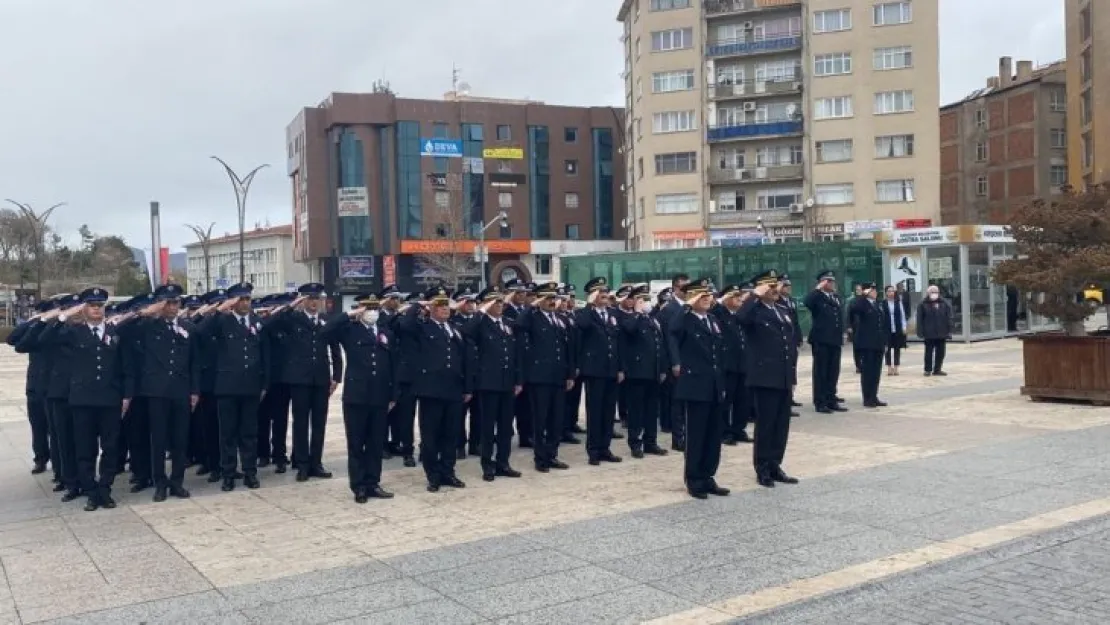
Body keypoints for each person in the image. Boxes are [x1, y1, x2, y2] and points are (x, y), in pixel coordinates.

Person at [45, 288, 130, 511]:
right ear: (84, 308)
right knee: (85, 449)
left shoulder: (114, 332)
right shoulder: (73, 332)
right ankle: (91, 491)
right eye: (92, 305)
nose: (96, 309)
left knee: (110, 448)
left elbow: (125, 367)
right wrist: (63, 315)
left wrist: (126, 395)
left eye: (100, 305)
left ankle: (105, 489)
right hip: (82, 401)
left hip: (110, 399)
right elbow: (46, 338)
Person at [323, 293, 397, 502]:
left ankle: (373, 482)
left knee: (375, 444)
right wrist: (349, 314)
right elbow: (325, 331)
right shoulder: (349, 330)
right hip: (357, 396)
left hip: (380, 395)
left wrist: (393, 394)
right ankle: (359, 486)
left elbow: (392, 363)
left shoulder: (384, 332)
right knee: (356, 444)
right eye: (367, 307)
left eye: (375, 307)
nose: (372, 311)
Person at [196, 282, 270, 492]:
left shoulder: (257, 321)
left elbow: (265, 354)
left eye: (247, 299)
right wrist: (219, 310)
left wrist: (265, 382)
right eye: (240, 299)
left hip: (251, 385)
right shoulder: (222, 321)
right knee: (227, 433)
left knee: (249, 432)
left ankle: (249, 472)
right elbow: (200, 332)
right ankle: (228, 473)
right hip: (227, 386)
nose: (245, 303)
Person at [265, 283, 343, 482]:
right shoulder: (292, 319)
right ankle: (302, 464)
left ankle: (316, 462)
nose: (314, 302)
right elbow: (269, 324)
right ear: (302, 301)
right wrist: (291, 306)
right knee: (300, 423)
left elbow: (335, 349)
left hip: (320, 379)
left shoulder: (326, 322)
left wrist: (336, 377)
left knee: (319, 423)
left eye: (317, 298)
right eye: (309, 298)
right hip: (299, 379)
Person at [130, 284, 200, 501]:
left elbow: (195, 362)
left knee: (180, 439)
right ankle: (159, 482)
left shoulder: (188, 327)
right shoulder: (147, 326)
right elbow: (122, 330)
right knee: (158, 440)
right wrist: (147, 312)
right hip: (156, 391)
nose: (172, 307)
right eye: (168, 303)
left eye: (176, 302)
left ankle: (177, 481)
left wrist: (195, 390)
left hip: (181, 390)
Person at [400, 286, 471, 492]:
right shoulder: (422, 327)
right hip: (431, 390)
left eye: (446, 304)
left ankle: (448, 471)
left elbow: (464, 359)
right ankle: (433, 475)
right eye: (439, 305)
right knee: (430, 435)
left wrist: (467, 387)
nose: (445, 309)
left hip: (454, 389)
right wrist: (419, 306)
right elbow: (404, 325)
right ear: (431, 308)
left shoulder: (455, 329)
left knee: (451, 434)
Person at [737, 271, 799, 489]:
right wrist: (754, 295)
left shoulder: (782, 309)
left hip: (782, 376)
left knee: (781, 424)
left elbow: (789, 345)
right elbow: (741, 318)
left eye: (776, 286)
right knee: (766, 424)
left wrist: (792, 375)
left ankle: (775, 464)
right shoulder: (754, 311)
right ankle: (762, 468)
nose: (775, 290)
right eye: (769, 286)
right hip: (764, 377)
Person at [667, 278, 728, 500]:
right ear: (692, 298)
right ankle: (694, 479)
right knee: (696, 435)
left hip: (713, 384)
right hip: (694, 385)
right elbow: (672, 330)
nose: (707, 299)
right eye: (701, 296)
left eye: (708, 295)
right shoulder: (685, 320)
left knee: (713, 435)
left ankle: (708, 476)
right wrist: (686, 306)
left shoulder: (712, 319)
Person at [460, 286, 523, 482]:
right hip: (488, 383)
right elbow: (465, 333)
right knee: (488, 427)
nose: (499, 305)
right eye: (495, 302)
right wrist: (480, 311)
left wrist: (519, 379)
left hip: (507, 382)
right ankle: (487, 464)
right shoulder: (480, 323)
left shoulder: (507, 323)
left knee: (505, 427)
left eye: (501, 302)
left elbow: (516, 354)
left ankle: (503, 462)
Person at [515, 282, 575, 472]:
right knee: (540, 420)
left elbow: (567, 348)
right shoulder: (532, 317)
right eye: (547, 298)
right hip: (539, 377)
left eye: (553, 298)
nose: (551, 301)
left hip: (558, 376)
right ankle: (540, 458)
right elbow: (518, 326)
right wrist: (531, 305)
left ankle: (552, 454)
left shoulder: (559, 319)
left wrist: (570, 373)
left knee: (556, 419)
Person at [576, 277, 624, 466]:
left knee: (608, 411)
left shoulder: (612, 314)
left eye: (606, 295)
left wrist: (621, 368)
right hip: (595, 370)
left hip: (612, 369)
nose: (605, 299)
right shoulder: (585, 313)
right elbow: (582, 325)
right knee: (595, 411)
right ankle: (594, 450)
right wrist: (589, 305)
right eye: (600, 295)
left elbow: (618, 342)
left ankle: (605, 447)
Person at [617, 284, 669, 458]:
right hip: (637, 372)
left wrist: (662, 368)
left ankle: (650, 442)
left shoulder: (652, 318)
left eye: (647, 299)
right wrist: (637, 312)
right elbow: (629, 330)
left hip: (653, 372)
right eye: (642, 299)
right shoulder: (629, 318)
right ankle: (635, 443)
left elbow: (659, 345)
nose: (645, 302)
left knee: (651, 410)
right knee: (636, 410)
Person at [7, 299, 55, 476]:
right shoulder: (34, 329)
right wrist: (34, 320)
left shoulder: (58, 329)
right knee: (38, 425)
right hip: (36, 385)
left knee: (56, 428)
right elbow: (12, 339)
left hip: (55, 385)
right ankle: (40, 459)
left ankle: (59, 461)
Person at [711, 284, 752, 444]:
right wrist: (720, 301)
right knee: (726, 400)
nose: (739, 299)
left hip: (743, 363)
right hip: (727, 364)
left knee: (743, 400)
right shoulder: (720, 314)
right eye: (735, 296)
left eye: (740, 296)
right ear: (727, 299)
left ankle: (738, 429)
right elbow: (713, 311)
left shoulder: (740, 315)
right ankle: (724, 431)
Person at [804, 270, 847, 414]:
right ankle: (820, 401)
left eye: (832, 281)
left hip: (835, 340)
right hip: (821, 340)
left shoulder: (835, 297)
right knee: (821, 372)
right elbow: (807, 302)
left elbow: (839, 317)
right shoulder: (817, 297)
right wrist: (818, 289)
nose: (832, 283)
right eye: (828, 281)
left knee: (833, 371)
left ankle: (831, 398)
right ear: (822, 282)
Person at [659, 273, 691, 450]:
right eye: (684, 288)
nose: (687, 291)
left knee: (686, 400)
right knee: (677, 402)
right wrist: (675, 362)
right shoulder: (670, 309)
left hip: (690, 360)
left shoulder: (688, 307)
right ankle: (678, 438)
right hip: (675, 361)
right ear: (675, 289)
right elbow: (669, 338)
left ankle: (686, 434)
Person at [850, 283, 889, 408]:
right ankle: (867, 398)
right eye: (872, 290)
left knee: (876, 372)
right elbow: (854, 309)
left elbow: (882, 323)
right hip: (866, 343)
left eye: (875, 290)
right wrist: (863, 296)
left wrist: (885, 341)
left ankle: (874, 396)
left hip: (878, 343)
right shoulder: (862, 304)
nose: (875, 292)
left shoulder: (877, 304)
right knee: (867, 372)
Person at [777, 275, 803, 417]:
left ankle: (790, 397)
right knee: (786, 371)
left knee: (792, 369)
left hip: (792, 340)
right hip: (784, 342)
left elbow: (795, 321)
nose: (788, 288)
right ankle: (786, 401)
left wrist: (798, 337)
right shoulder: (778, 301)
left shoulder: (791, 301)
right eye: (785, 286)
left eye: (789, 286)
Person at [917, 284, 954, 376]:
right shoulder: (923, 304)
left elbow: (949, 317)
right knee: (929, 352)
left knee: (941, 352)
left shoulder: (944, 303)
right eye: (932, 292)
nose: (934, 294)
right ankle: (927, 369)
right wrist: (920, 332)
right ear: (928, 293)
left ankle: (937, 369)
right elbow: (919, 319)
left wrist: (949, 330)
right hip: (929, 333)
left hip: (942, 332)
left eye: (936, 292)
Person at [881, 285, 909, 376]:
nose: (891, 293)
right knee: (887, 348)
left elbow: (902, 316)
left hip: (897, 328)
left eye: (892, 291)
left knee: (897, 348)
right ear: (886, 293)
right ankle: (889, 367)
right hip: (886, 329)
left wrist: (904, 327)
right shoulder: (883, 303)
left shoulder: (898, 302)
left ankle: (896, 367)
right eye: (889, 291)